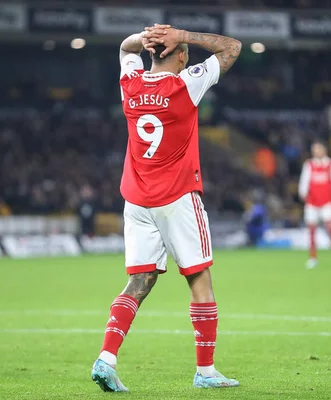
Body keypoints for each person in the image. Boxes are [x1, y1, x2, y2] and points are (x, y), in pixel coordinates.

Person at [91, 24, 241, 392]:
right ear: (183, 55)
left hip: (137, 201)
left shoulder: (131, 83)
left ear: (150, 53)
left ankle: (106, 359)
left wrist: (144, 38)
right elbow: (232, 48)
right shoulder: (185, 85)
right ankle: (205, 371)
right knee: (199, 279)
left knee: (139, 281)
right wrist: (184, 35)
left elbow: (124, 47)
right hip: (177, 198)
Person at [298, 141, 331, 269]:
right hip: (312, 202)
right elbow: (304, 181)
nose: (315, 151)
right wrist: (302, 193)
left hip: (327, 202)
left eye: (318, 149)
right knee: (311, 230)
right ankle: (313, 258)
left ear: (324, 150)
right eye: (314, 149)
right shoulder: (309, 165)